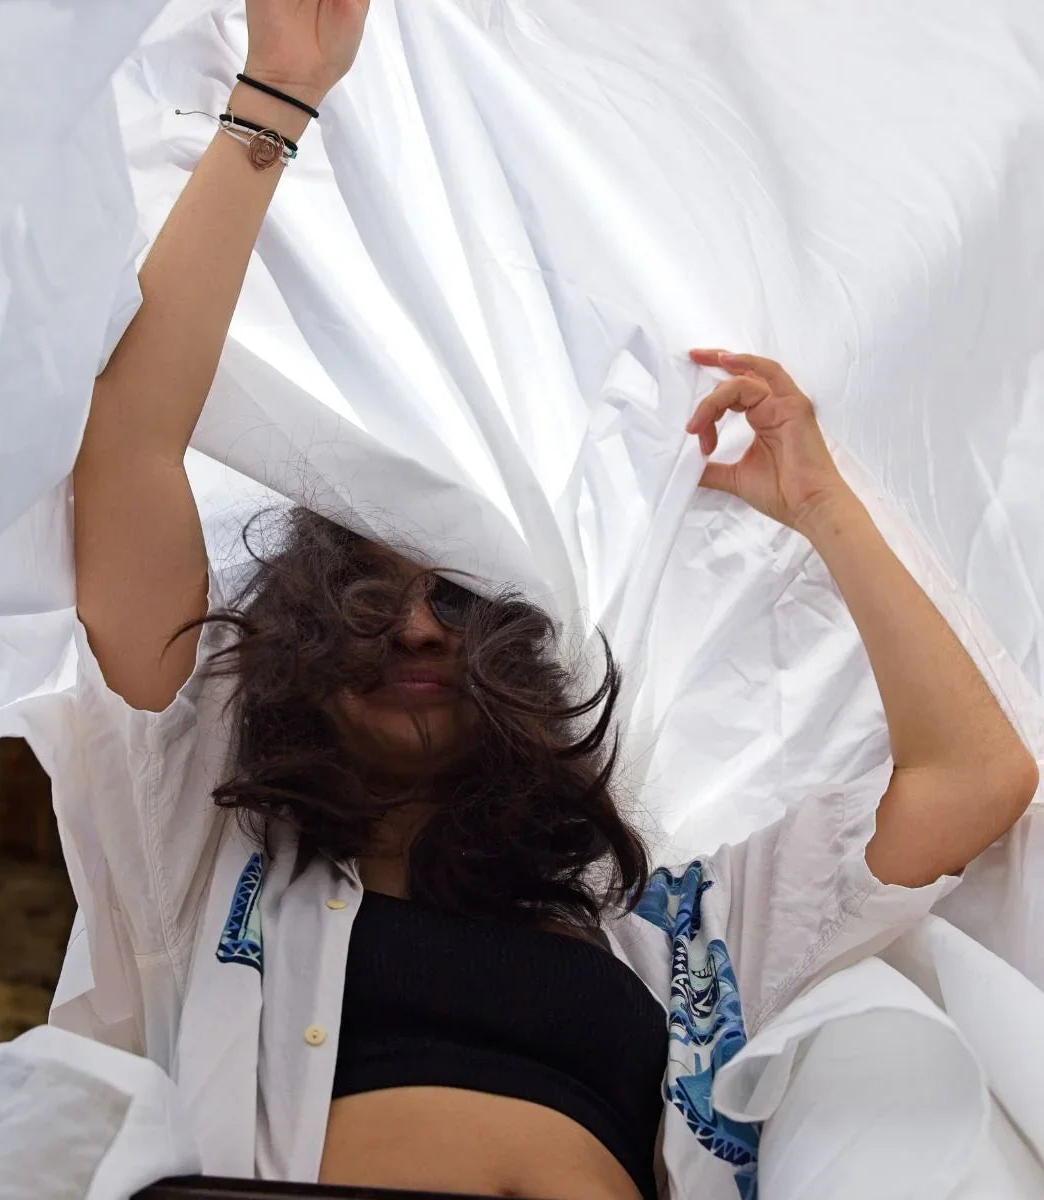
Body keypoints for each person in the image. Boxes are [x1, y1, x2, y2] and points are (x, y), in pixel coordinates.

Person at [63, 1, 1040, 1197]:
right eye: (363, 600)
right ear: (298, 643)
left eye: (462, 600)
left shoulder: (664, 921)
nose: (416, 626)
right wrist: (274, 103)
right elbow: (130, 446)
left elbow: (974, 780)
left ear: (523, 656)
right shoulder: (203, 840)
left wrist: (823, 506)